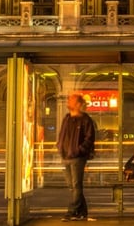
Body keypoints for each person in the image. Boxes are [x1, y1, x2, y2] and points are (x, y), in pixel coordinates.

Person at [57, 93, 97, 222]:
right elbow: (62, 136)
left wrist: (79, 150)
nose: (69, 102)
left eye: (71, 100)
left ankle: (72, 211)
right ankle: (82, 212)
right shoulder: (67, 118)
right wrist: (60, 148)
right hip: (66, 156)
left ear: (78, 104)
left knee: (76, 185)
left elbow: (89, 138)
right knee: (73, 186)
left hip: (77, 157)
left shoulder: (85, 120)